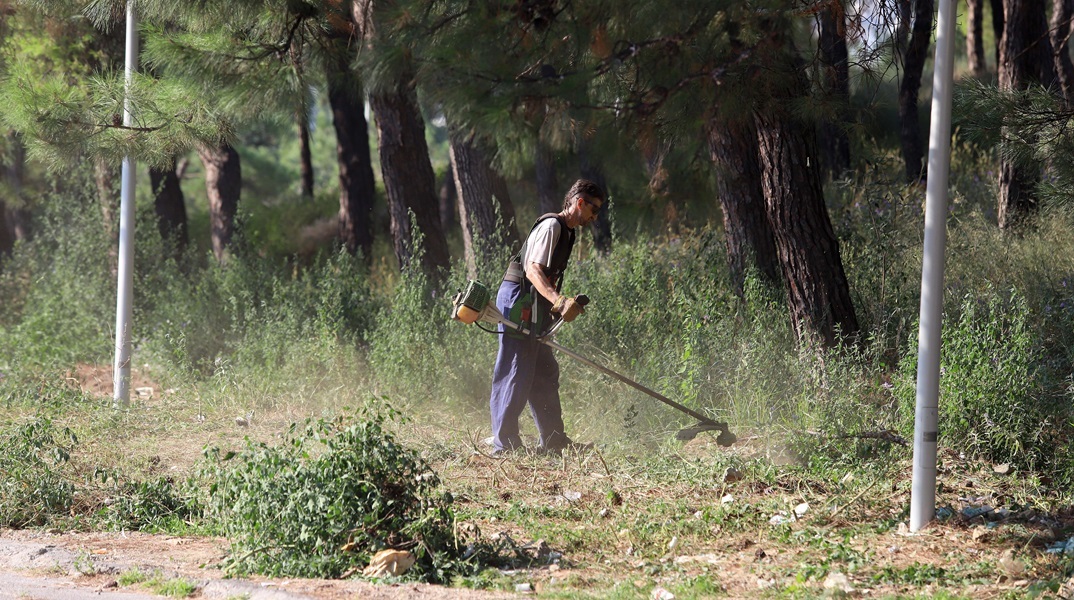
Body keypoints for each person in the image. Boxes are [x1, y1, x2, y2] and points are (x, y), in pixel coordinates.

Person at [488, 178, 606, 454]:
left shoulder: (568, 232)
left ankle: (554, 441)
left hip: (534, 303)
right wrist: (559, 301)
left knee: (544, 370)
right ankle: (504, 446)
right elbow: (533, 270)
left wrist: (556, 306)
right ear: (579, 203)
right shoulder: (552, 226)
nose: (595, 217)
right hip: (519, 300)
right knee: (517, 369)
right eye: (594, 210)